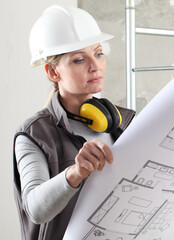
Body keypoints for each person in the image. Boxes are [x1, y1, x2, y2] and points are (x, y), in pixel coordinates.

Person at [12, 5, 135, 240]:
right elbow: (36, 210)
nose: (95, 66)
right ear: (53, 72)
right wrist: (75, 173)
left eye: (98, 53)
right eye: (79, 59)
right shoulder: (34, 134)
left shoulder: (124, 121)